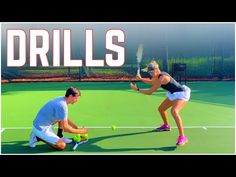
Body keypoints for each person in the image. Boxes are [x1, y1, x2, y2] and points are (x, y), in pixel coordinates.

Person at [130, 60, 191, 146]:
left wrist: (137, 90)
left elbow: (150, 92)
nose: (150, 75)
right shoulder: (158, 76)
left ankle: (182, 137)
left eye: (151, 73)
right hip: (173, 94)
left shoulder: (162, 78)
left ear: (155, 70)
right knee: (161, 109)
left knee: (174, 111)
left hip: (181, 94)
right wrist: (141, 79)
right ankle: (166, 125)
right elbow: (153, 82)